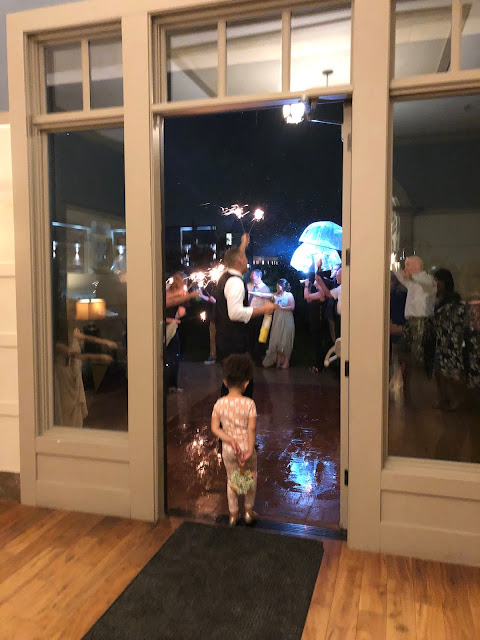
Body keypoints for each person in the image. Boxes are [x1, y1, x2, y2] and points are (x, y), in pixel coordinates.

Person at [215, 234, 275, 397]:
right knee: (239, 385)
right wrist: (263, 309)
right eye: (245, 257)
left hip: (225, 340)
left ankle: (226, 412)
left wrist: (242, 245)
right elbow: (235, 313)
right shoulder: (235, 282)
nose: (247, 261)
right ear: (240, 260)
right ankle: (237, 413)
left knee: (230, 383)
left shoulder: (225, 275)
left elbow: (232, 259)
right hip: (234, 343)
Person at [211, 353, 257, 527]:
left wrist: (229, 439)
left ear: (225, 382)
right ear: (246, 383)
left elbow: (215, 428)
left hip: (229, 449)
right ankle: (249, 512)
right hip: (246, 448)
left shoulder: (219, 404)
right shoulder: (249, 404)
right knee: (250, 477)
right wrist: (250, 449)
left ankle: (233, 514)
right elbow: (251, 429)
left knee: (231, 479)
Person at [431, 269, 467, 410]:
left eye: (438, 280)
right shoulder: (436, 298)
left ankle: (455, 399)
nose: (435, 283)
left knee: (451, 372)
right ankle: (443, 398)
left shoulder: (452, 299)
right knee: (438, 371)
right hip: (439, 339)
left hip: (450, 340)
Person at [258, 279, 295, 369]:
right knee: (277, 339)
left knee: (285, 339)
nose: (277, 287)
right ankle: (278, 361)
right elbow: (265, 296)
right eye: (277, 286)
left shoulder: (289, 295)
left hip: (286, 319)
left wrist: (282, 308)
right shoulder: (275, 296)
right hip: (277, 319)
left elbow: (292, 307)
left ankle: (286, 362)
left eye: (279, 286)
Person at [165, 272, 188, 393]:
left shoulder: (166, 292)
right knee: (173, 356)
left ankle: (163, 384)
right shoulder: (180, 295)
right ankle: (171, 385)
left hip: (161, 325)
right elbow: (181, 312)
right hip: (171, 328)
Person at [246, 269, 271, 364]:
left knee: (258, 336)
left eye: (253, 276)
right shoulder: (249, 286)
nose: (251, 277)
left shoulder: (265, 289)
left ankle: (258, 357)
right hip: (248, 313)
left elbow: (267, 304)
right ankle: (249, 355)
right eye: (251, 275)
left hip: (258, 316)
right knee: (249, 336)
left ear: (258, 276)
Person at [198, 281, 217, 364]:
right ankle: (213, 356)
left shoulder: (225, 287)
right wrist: (201, 295)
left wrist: (216, 301)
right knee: (212, 338)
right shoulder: (214, 287)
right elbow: (210, 299)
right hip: (214, 317)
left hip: (222, 317)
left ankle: (223, 357)